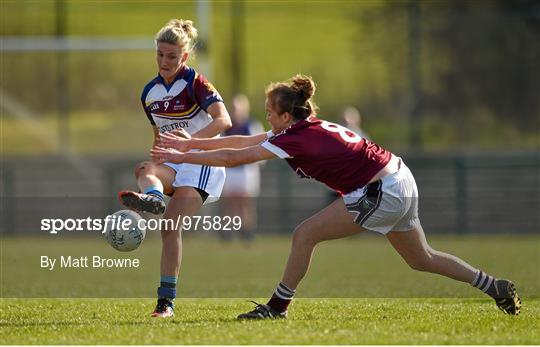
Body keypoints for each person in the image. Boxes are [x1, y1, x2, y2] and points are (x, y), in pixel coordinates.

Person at [150, 74, 521, 319]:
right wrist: (194, 144)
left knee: (304, 234)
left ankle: (277, 307)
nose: (266, 118)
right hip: (399, 177)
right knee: (422, 259)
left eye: (269, 113)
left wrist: (181, 155)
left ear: (283, 115)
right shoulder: (304, 127)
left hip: (381, 190)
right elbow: (244, 141)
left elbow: (235, 157)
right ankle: (493, 286)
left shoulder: (294, 136)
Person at [118, 19, 231, 318]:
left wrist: (189, 143)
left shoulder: (196, 83)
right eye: (160, 54)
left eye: (171, 56)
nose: (164, 61)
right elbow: (159, 136)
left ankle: (165, 303)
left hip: (201, 163)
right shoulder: (149, 93)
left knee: (170, 226)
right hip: (174, 161)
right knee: (144, 167)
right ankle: (153, 197)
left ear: (184, 56)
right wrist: (158, 157)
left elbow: (223, 121)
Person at [220, 94, 264, 242]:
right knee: (229, 202)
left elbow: (260, 148)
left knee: (245, 202)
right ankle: (227, 232)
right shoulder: (225, 127)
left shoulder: (252, 126)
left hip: (246, 170)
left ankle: (247, 231)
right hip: (229, 169)